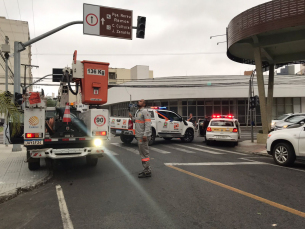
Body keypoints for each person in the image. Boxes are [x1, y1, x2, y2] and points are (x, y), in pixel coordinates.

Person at [129, 99, 152, 178]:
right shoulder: (138, 112)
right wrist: (132, 118)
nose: (138, 102)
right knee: (142, 154)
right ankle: (146, 169)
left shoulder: (145, 112)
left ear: (144, 104)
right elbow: (137, 121)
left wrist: (145, 134)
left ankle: (147, 171)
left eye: (141, 101)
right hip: (139, 135)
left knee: (144, 153)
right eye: (139, 101)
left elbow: (148, 124)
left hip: (143, 136)